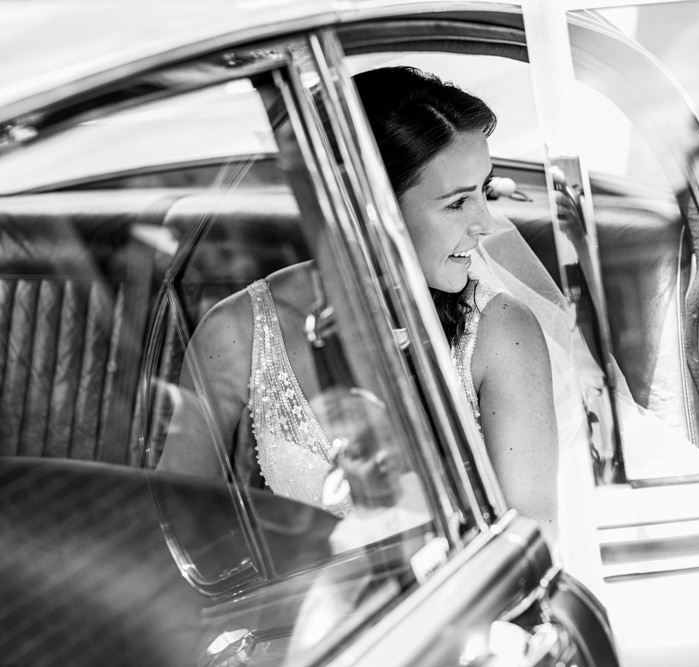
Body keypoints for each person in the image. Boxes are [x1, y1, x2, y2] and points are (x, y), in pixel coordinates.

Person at [157, 66, 559, 541]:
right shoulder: (237, 331)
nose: (487, 224)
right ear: (367, 211)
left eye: (484, 192)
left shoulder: (500, 332)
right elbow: (170, 523)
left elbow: (530, 545)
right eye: (456, 203)